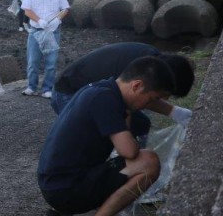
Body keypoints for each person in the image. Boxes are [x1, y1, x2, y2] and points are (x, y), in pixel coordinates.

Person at [37, 56, 173, 216]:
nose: (149, 105)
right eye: (152, 99)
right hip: (65, 189)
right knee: (148, 161)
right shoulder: (106, 100)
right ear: (136, 85)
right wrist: (127, 114)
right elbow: (129, 152)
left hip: (54, 182)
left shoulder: (100, 89)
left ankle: (63, 212)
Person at [49, 43, 195, 144]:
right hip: (68, 91)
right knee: (92, 138)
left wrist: (175, 112)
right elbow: (129, 104)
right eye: (163, 95)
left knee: (141, 124)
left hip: (95, 90)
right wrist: (125, 146)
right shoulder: (140, 68)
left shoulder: (153, 61)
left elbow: (145, 97)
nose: (163, 99)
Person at [20, 0, 69, 99]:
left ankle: (47, 88)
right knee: (33, 61)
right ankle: (32, 86)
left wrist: (58, 19)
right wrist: (39, 20)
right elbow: (27, 10)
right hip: (36, 30)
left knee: (51, 62)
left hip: (53, 31)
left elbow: (65, 8)